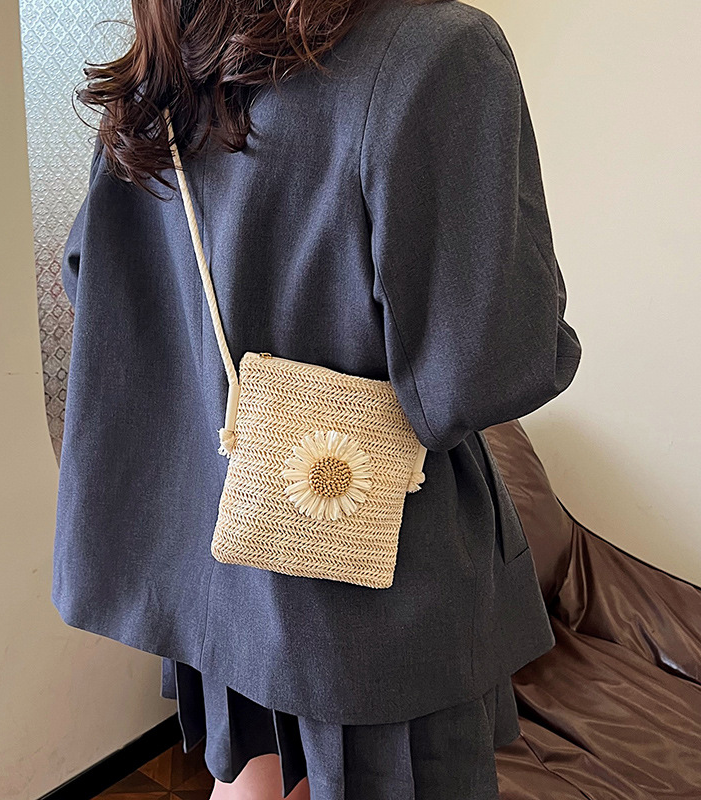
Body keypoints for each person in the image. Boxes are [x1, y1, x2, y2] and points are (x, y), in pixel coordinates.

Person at [52, 0, 582, 797]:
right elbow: (480, 373)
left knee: (250, 782)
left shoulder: (170, 68)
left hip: (222, 554)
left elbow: (89, 281)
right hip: (373, 589)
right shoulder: (438, 53)